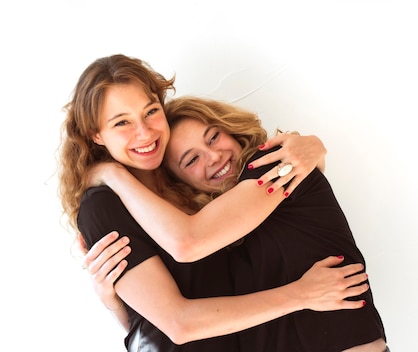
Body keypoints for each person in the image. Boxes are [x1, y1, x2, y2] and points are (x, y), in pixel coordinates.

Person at [58, 53, 369, 351]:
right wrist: (112, 174)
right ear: (95, 135)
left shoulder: (190, 194)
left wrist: (315, 150)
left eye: (151, 111)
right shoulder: (103, 204)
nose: (144, 132)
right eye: (121, 123)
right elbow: (175, 324)